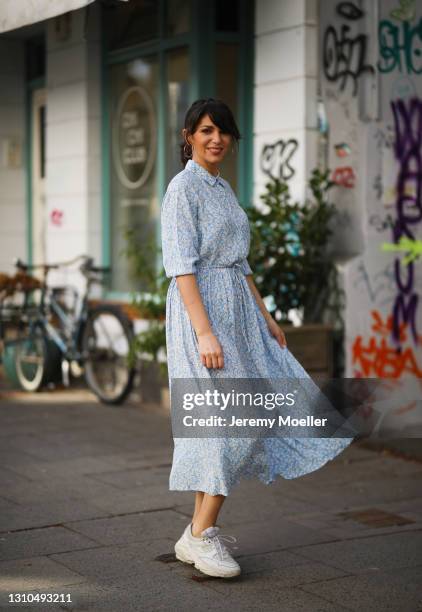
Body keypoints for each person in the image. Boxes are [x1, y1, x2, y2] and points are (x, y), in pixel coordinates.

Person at [160, 98, 354, 579]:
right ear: (188, 135)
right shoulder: (182, 189)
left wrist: (266, 316)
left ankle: (196, 533)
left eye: (223, 131)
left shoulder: (222, 189)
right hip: (201, 314)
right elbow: (182, 265)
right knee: (235, 426)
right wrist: (204, 331)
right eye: (206, 130)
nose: (216, 139)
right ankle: (202, 535)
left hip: (240, 313)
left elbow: (240, 262)